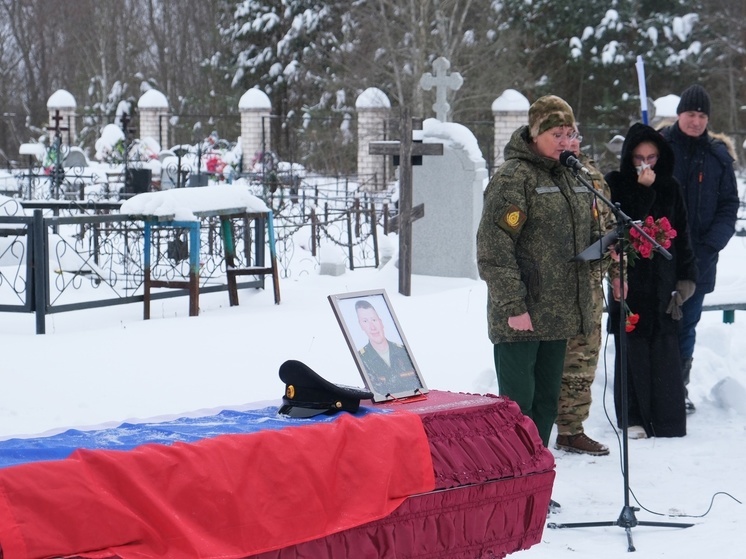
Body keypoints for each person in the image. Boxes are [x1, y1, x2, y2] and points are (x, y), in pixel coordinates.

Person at [476, 95, 594, 452]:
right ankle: (514, 487)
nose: (564, 141)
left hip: (558, 315)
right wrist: (513, 305)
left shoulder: (573, 177)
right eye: (556, 133)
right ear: (535, 132)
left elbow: (583, 236)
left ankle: (537, 484)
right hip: (522, 317)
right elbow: (494, 248)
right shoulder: (514, 178)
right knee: (518, 408)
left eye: (569, 133)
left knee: (546, 404)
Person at [605, 123, 698, 439]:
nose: (645, 164)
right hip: (630, 278)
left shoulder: (671, 186)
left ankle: (667, 419)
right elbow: (620, 225)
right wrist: (643, 189)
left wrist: (687, 277)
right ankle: (633, 418)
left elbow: (682, 234)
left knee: (663, 350)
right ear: (629, 158)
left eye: (652, 157)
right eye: (639, 158)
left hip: (663, 280)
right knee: (632, 349)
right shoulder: (616, 184)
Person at [660, 85, 739, 414]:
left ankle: (679, 389)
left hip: (700, 259)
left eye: (702, 115)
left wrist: (709, 246)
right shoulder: (659, 148)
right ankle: (654, 388)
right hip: (658, 254)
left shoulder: (718, 156)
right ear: (680, 114)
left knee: (686, 325)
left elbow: (728, 205)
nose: (696, 121)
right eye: (691, 114)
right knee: (657, 324)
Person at [555, 128, 613, 456]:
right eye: (563, 135)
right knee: (553, 359)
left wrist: (617, 272)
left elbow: (608, 229)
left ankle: (572, 429)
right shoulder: (549, 176)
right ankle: (543, 424)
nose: (571, 141)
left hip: (589, 283)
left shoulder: (593, 177)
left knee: (584, 357)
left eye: (575, 134)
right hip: (555, 284)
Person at [354, 299, 420, 396]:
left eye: (374, 320)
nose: (372, 327)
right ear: (361, 325)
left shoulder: (403, 351)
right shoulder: (362, 358)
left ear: (380, 322)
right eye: (365, 321)